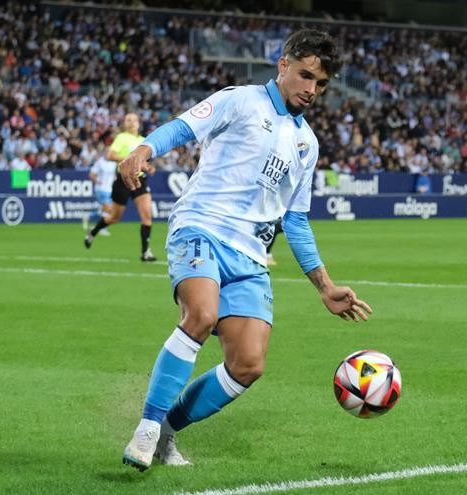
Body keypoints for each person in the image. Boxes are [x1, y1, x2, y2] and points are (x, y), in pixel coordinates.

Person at [116, 29, 372, 471]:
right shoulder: (241, 100)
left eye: (322, 83)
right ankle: (148, 425)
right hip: (200, 227)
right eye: (306, 75)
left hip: (250, 255)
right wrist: (143, 148)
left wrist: (324, 287)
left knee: (248, 364)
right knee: (200, 315)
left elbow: (294, 219)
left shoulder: (307, 144)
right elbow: (185, 125)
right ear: (283, 65)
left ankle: (168, 431)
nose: (312, 89)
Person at [84, 112, 157, 262]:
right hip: (123, 180)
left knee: (147, 216)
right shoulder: (122, 137)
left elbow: (143, 162)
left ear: (138, 122)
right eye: (127, 120)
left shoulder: (144, 141)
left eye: (133, 119)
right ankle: (93, 231)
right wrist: (130, 159)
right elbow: (110, 155)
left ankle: (145, 252)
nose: (130, 122)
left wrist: (148, 167)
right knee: (114, 217)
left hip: (140, 180)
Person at [83, 144, 116, 236]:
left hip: (109, 189)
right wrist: (97, 181)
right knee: (108, 209)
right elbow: (91, 175)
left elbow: (113, 175)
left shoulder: (113, 163)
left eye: (110, 151)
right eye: (107, 151)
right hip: (101, 189)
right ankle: (102, 228)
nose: (109, 153)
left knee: (106, 209)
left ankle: (89, 216)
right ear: (104, 152)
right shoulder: (100, 162)